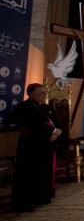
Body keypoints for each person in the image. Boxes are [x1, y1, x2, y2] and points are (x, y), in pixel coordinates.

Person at [9, 83, 62, 212]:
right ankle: (26, 201)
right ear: (31, 94)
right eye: (41, 93)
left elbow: (57, 122)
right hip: (31, 145)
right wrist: (52, 131)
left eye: (45, 93)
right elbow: (33, 125)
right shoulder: (24, 107)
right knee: (29, 173)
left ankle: (43, 197)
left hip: (46, 144)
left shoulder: (45, 106)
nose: (44, 96)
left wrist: (58, 132)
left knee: (44, 171)